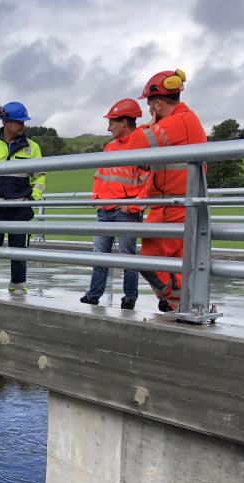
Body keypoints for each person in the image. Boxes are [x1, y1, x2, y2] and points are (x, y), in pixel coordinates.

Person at [126, 69, 207, 312]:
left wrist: (150, 124)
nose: (150, 111)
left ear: (158, 104)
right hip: (167, 205)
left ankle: (181, 306)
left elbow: (133, 147)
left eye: (150, 106)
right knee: (158, 264)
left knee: (166, 265)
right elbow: (147, 162)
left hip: (177, 206)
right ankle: (175, 304)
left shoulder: (177, 123)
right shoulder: (181, 123)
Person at [80, 98, 147, 310]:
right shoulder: (110, 147)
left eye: (112, 123)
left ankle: (129, 297)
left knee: (128, 258)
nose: (108, 127)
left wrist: (135, 206)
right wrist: (96, 197)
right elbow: (100, 175)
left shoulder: (141, 144)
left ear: (124, 122)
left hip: (126, 210)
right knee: (99, 256)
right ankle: (94, 295)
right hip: (105, 209)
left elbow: (149, 181)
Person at [0, 101, 46, 292]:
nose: (23, 126)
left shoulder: (33, 148)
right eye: (18, 122)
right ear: (6, 122)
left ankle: (18, 286)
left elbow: (40, 176)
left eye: (24, 122)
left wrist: (34, 198)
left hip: (20, 208)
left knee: (19, 250)